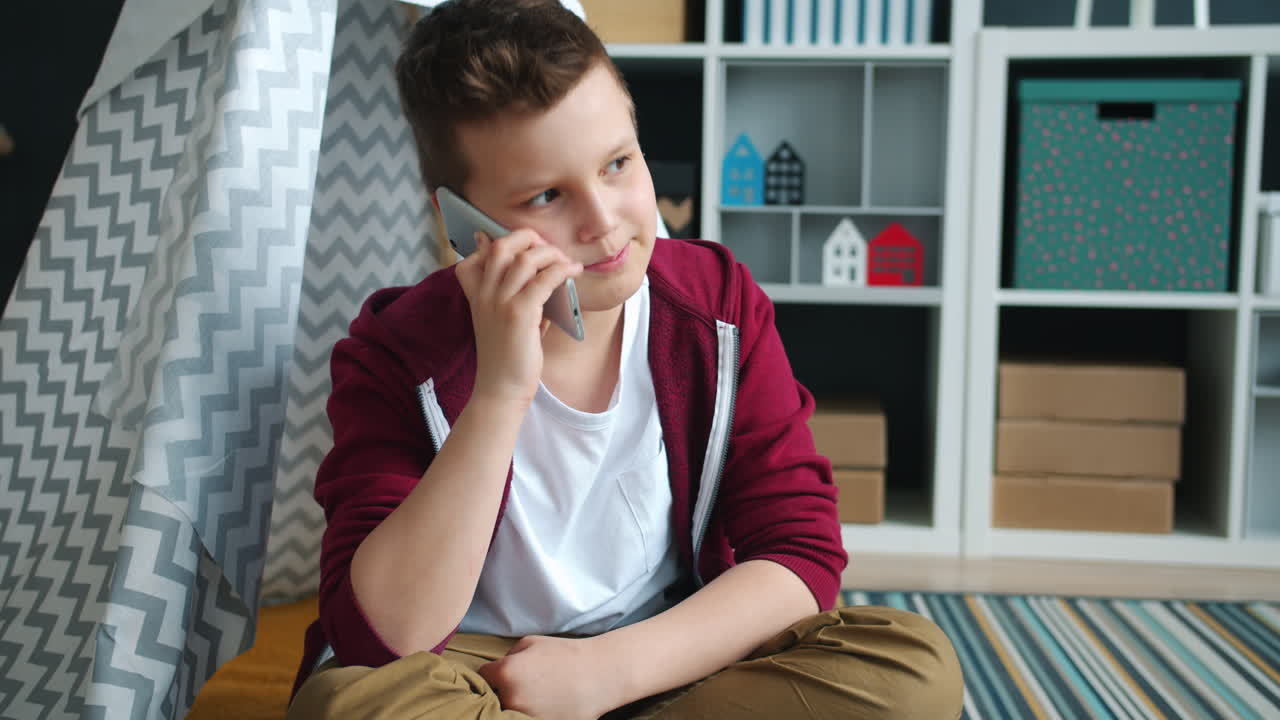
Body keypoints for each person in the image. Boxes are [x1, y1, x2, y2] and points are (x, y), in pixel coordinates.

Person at [287, 1, 963, 718]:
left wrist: (607, 673)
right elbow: (382, 636)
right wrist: (499, 394)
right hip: (477, 672)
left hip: (662, 653)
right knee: (349, 705)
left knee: (913, 668)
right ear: (461, 221)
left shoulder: (718, 306)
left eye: (617, 163)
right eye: (546, 195)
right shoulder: (395, 350)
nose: (604, 221)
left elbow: (799, 555)